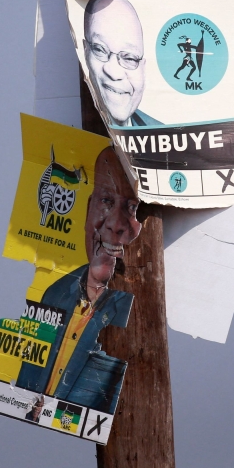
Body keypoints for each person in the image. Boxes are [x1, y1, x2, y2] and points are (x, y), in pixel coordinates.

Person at [15, 147, 141, 412]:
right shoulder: (54, 293)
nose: (114, 224)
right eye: (106, 201)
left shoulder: (134, 309)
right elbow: (24, 394)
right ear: (87, 210)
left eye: (132, 208)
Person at [83, 0, 161, 127]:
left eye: (130, 58)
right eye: (100, 49)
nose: (114, 73)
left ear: (143, 68)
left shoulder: (163, 134)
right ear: (85, 51)